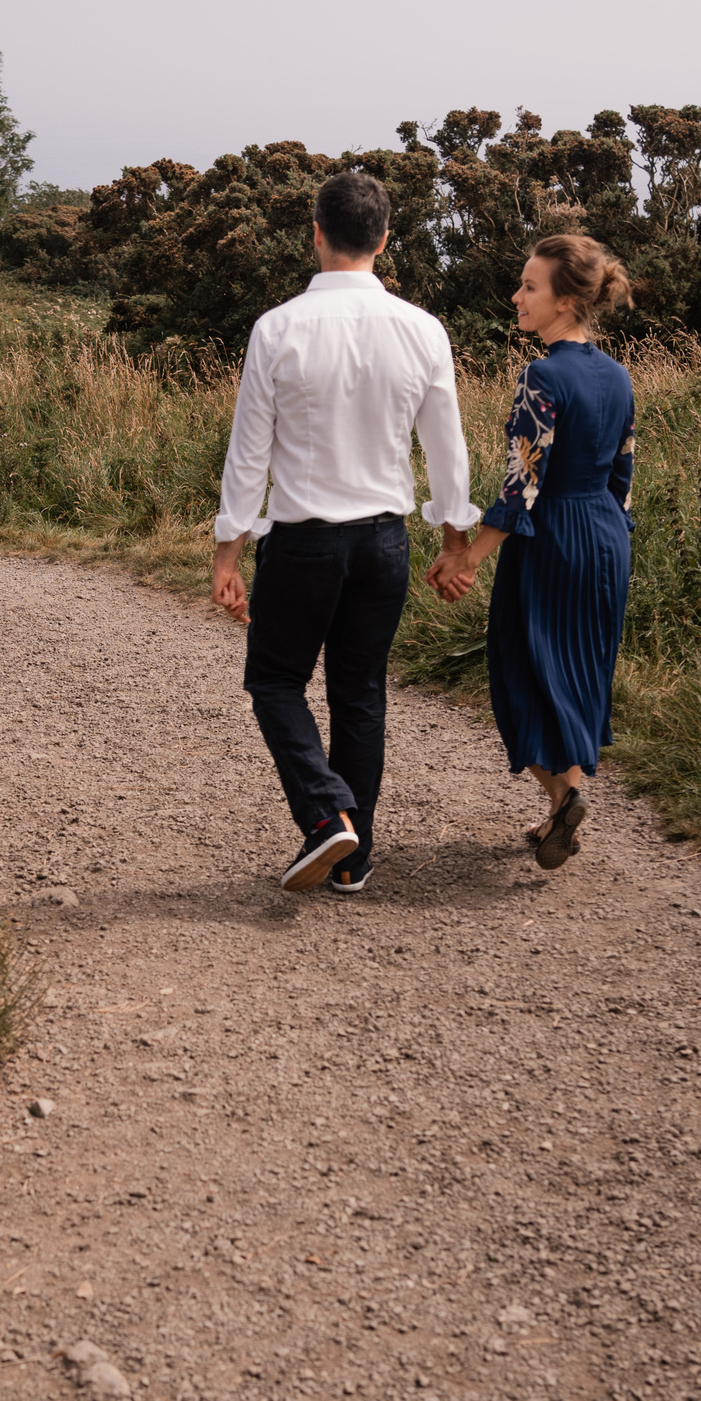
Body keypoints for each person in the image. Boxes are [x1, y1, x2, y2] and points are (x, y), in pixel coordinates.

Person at [212, 170, 474, 894]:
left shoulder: (278, 328)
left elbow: (249, 453)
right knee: (360, 692)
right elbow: (447, 448)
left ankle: (327, 816)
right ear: (384, 239)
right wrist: (455, 539)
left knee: (275, 680)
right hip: (384, 542)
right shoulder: (423, 329)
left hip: (303, 541)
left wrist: (228, 552)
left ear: (316, 234)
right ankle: (353, 859)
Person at [425, 234, 636, 871]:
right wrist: (614, 534)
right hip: (606, 537)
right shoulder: (618, 376)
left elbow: (523, 486)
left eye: (529, 286)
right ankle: (558, 812)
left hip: (551, 538)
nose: (516, 296)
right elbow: (622, 473)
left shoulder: (541, 376)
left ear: (566, 301)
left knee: (520, 668)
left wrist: (468, 558)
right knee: (577, 671)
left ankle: (565, 795)